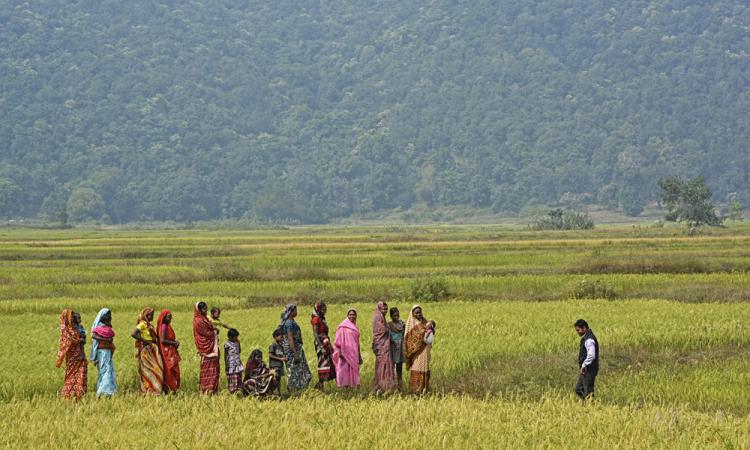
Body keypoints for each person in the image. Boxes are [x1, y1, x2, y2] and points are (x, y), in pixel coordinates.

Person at [131, 307, 164, 395]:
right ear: (146, 315)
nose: (152, 317)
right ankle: (149, 389)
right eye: (151, 315)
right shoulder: (142, 324)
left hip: (152, 348)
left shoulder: (149, 325)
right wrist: (146, 341)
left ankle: (154, 389)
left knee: (157, 369)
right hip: (146, 350)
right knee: (148, 370)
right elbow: (133, 334)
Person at [280, 304, 312, 392]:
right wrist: (295, 353)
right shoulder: (289, 323)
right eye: (295, 310)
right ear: (291, 312)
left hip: (294, 349)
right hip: (292, 350)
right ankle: (292, 390)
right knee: (293, 371)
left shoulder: (291, 321)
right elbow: (290, 338)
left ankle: (297, 390)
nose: (296, 312)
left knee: (297, 371)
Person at [56, 309, 87, 400]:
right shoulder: (66, 330)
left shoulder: (77, 327)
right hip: (72, 357)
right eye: (71, 316)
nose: (73, 318)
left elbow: (82, 339)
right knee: (71, 375)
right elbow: (67, 342)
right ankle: (68, 395)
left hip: (80, 354)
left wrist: (81, 341)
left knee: (80, 374)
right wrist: (77, 340)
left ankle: (78, 394)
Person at [403, 305, 433, 394]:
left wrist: (431, 328)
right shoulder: (411, 324)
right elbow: (409, 339)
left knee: (425, 367)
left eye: (420, 312)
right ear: (412, 314)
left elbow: (430, 330)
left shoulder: (424, 321)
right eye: (416, 313)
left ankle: (424, 389)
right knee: (416, 367)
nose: (418, 314)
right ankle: (415, 389)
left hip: (425, 349)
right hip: (416, 351)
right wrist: (424, 331)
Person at [193, 301, 220, 394]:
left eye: (206, 308)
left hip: (211, 345)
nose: (206, 310)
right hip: (205, 347)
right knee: (206, 368)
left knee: (214, 367)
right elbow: (206, 333)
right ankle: (206, 389)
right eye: (204, 309)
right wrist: (214, 332)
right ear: (199, 310)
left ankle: (213, 388)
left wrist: (213, 330)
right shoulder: (198, 320)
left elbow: (209, 329)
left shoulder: (204, 318)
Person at [90, 308, 117, 397]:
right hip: (103, 352)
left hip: (106, 352)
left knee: (106, 370)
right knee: (106, 370)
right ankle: (105, 391)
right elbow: (94, 336)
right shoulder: (100, 329)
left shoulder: (105, 329)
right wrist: (106, 339)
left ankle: (104, 389)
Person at [333, 308, 362, 388]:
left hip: (354, 353)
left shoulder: (355, 328)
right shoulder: (342, 327)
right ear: (347, 316)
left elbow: (357, 343)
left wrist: (359, 356)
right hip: (344, 353)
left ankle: (353, 387)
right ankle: (345, 388)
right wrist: (340, 352)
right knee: (344, 371)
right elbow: (337, 341)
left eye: (353, 315)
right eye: (350, 315)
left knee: (353, 370)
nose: (352, 316)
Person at [311, 301, 335, 389]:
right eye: (322, 309)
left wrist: (330, 346)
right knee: (322, 363)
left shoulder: (322, 319)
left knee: (327, 363)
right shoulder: (316, 319)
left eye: (325, 309)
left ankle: (320, 385)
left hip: (325, 342)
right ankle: (319, 385)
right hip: (320, 343)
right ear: (318, 309)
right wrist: (321, 347)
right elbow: (316, 334)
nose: (324, 311)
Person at [372, 301, 395, 392]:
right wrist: (388, 329)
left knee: (386, 363)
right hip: (381, 344)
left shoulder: (383, 318)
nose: (385, 310)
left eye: (386, 309)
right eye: (383, 308)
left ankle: (386, 385)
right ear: (379, 308)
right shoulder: (378, 317)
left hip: (385, 344)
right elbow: (381, 331)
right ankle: (381, 384)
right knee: (382, 364)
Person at [574, 319, 599, 400]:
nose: (577, 332)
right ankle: (587, 404)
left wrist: (584, 364)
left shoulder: (589, 340)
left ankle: (591, 406)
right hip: (585, 369)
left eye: (578, 330)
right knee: (578, 388)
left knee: (588, 390)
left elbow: (591, 355)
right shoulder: (587, 337)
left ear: (584, 328)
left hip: (589, 369)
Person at [157, 309, 181, 393]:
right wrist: (173, 343)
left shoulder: (167, 326)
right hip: (167, 352)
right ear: (164, 318)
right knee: (169, 371)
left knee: (174, 370)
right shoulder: (164, 326)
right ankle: (170, 389)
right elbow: (163, 340)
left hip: (171, 350)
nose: (171, 319)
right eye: (169, 317)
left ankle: (173, 388)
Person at [387, 307, 405, 388]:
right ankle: (392, 382)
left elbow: (404, 333)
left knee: (399, 364)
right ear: (391, 316)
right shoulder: (389, 324)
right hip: (393, 346)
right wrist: (392, 341)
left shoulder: (402, 323)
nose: (396, 317)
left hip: (401, 346)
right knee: (392, 364)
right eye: (394, 316)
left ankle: (400, 382)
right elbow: (388, 335)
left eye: (398, 315)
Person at [224, 328, 244, 395]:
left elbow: (239, 351)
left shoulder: (236, 342)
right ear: (230, 337)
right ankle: (232, 391)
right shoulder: (227, 344)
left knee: (238, 377)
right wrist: (226, 365)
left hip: (237, 363)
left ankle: (238, 391)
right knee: (232, 378)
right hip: (231, 364)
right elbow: (226, 355)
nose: (236, 338)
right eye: (235, 337)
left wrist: (239, 343)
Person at [268, 328, 287, 395]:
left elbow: (282, 354)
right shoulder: (273, 345)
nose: (282, 339)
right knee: (274, 380)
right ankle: (273, 392)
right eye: (281, 337)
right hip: (274, 366)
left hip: (280, 366)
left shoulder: (281, 346)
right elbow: (270, 355)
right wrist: (280, 359)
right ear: (275, 337)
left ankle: (278, 392)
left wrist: (284, 358)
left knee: (279, 380)